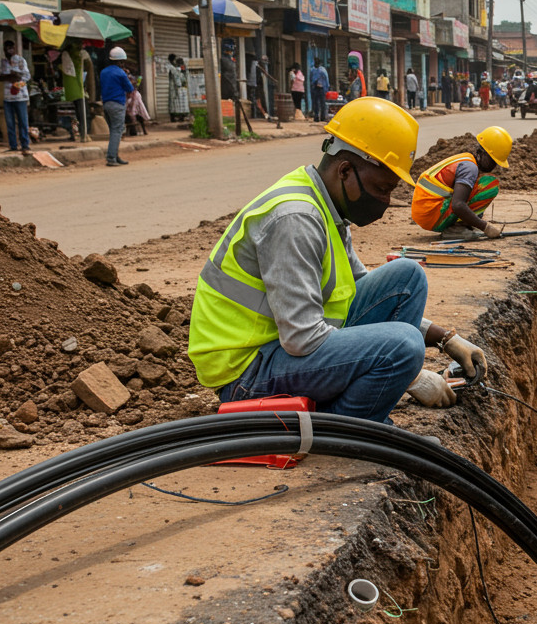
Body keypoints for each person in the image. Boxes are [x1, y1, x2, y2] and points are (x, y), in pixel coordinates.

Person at [187, 97, 487, 420]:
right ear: (345, 170)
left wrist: (445, 338)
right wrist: (411, 373)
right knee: (404, 346)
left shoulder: (326, 205)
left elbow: (359, 288)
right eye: (382, 188)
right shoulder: (295, 219)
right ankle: (348, 426)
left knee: (407, 278)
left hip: (279, 349)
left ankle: (365, 401)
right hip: (248, 373)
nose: (385, 202)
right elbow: (303, 338)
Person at [411, 125, 513, 238]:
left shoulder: (466, 160)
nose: (494, 166)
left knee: (476, 185)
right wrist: (485, 227)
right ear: (482, 153)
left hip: (425, 211)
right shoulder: (470, 168)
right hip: (431, 214)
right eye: (492, 161)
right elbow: (458, 205)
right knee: (490, 185)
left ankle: (463, 224)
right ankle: (457, 228)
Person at [98, 47, 134, 167]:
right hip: (117, 104)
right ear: (120, 61)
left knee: (113, 131)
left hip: (106, 104)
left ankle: (115, 155)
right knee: (117, 131)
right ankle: (111, 158)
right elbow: (130, 88)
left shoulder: (103, 72)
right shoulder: (120, 73)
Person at [0, 39, 32, 154]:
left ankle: (25, 144)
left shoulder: (21, 61)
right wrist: (8, 77)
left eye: (10, 48)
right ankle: (13, 145)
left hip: (20, 96)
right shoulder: (2, 62)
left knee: (22, 121)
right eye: (6, 48)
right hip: (7, 97)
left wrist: (16, 76)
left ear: (14, 49)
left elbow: (26, 76)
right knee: (10, 122)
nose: (8, 51)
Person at [62, 43, 91, 139]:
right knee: (82, 114)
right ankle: (83, 134)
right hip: (79, 90)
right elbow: (79, 77)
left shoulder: (65, 57)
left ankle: (81, 133)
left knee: (78, 114)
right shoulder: (77, 58)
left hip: (72, 90)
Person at [166, 54, 189, 124]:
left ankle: (179, 116)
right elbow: (177, 78)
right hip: (175, 88)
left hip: (177, 88)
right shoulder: (171, 67)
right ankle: (175, 117)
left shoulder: (175, 67)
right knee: (175, 103)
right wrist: (181, 84)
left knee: (177, 103)